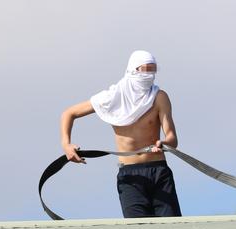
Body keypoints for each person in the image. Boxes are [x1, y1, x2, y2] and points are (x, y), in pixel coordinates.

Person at [59, 50, 182, 218]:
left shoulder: (159, 97)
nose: (149, 75)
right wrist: (66, 145)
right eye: (145, 69)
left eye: (153, 70)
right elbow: (69, 113)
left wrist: (165, 143)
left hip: (159, 171)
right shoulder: (112, 97)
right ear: (133, 70)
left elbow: (172, 138)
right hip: (130, 176)